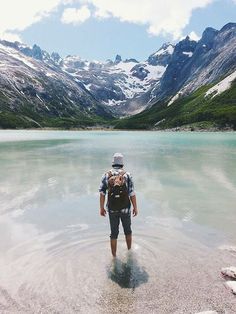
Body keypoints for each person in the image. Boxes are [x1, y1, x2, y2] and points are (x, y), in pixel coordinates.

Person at [99, 153, 138, 257]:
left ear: (113, 163)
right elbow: (132, 193)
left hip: (112, 209)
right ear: (122, 164)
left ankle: (114, 257)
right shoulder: (127, 175)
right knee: (128, 231)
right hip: (125, 208)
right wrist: (135, 207)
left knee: (114, 234)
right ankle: (129, 253)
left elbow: (102, 193)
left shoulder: (106, 175)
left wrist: (101, 208)